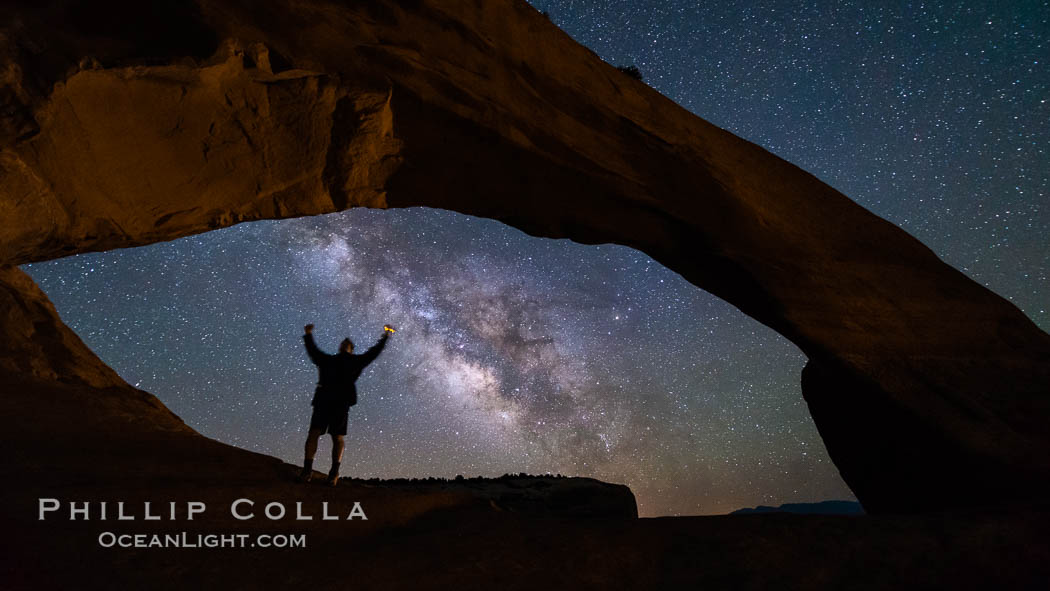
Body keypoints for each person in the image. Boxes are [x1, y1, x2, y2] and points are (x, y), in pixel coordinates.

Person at [298, 322, 394, 486]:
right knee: (314, 433)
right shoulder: (328, 359)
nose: (343, 345)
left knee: (338, 437)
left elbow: (373, 352)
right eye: (342, 343)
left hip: (341, 402)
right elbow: (313, 352)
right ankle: (307, 471)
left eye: (347, 344)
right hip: (323, 399)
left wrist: (385, 337)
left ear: (351, 349)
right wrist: (308, 335)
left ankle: (334, 473)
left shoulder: (356, 361)